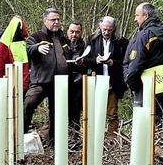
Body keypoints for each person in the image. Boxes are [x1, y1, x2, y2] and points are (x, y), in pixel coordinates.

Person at [124, 2, 163, 134]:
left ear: (146, 15)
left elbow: (135, 64)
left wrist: (131, 83)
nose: (135, 19)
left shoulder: (144, 35)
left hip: (145, 87)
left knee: (147, 126)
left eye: (137, 15)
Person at [24, 8, 80, 144]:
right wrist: (37, 48)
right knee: (28, 105)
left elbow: (72, 53)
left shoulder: (64, 39)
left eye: (58, 20)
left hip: (61, 83)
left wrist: (78, 58)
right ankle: (21, 137)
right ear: (45, 21)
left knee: (56, 114)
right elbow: (27, 48)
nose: (56, 22)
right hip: (41, 81)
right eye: (53, 20)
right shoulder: (37, 36)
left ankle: (53, 143)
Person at [82, 16, 129, 135]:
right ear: (100, 27)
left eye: (110, 30)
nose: (107, 32)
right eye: (104, 29)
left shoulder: (121, 42)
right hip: (96, 80)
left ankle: (111, 138)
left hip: (113, 82)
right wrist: (95, 61)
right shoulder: (91, 39)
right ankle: (95, 136)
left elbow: (127, 61)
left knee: (112, 113)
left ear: (114, 29)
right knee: (95, 112)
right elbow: (85, 60)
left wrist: (113, 62)